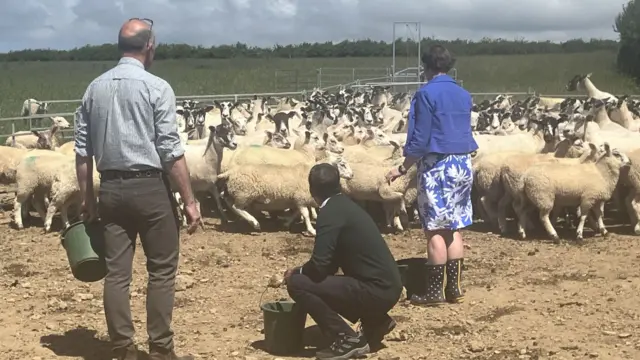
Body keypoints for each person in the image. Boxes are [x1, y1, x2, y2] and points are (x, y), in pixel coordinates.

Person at [74, 18, 201, 360]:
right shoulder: (157, 87)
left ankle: (123, 349)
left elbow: (82, 153)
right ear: (149, 46)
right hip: (150, 190)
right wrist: (189, 200)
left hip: (111, 190)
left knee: (117, 274)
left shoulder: (94, 89)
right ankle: (161, 350)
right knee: (161, 271)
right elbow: (171, 152)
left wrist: (88, 199)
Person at [385, 45, 478, 306]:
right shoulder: (463, 93)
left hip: (438, 167)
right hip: (462, 164)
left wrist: (402, 168)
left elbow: (420, 138)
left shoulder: (425, 94)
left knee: (435, 229)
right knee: (454, 227)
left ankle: (434, 293)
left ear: (426, 67)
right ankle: (455, 289)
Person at [284, 163, 403, 360]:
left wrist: (297, 273)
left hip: (376, 291)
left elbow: (320, 264)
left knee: (297, 284)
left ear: (312, 189)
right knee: (318, 280)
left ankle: (346, 338)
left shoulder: (329, 213)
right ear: (338, 184)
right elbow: (329, 264)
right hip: (388, 287)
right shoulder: (346, 206)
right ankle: (376, 322)